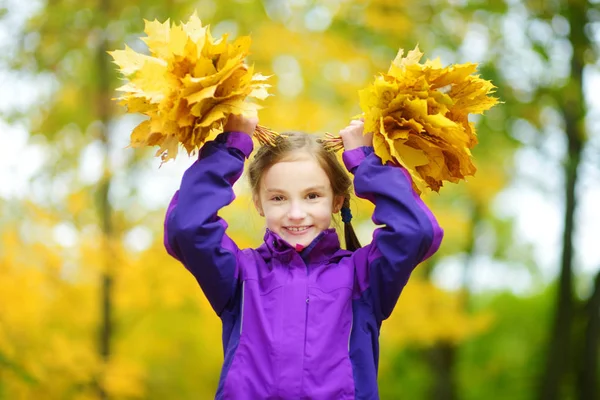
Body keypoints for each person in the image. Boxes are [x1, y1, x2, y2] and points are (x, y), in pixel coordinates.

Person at [164, 114, 443, 399]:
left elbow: (415, 232)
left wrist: (365, 160)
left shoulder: (364, 278)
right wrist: (232, 146)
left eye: (312, 196)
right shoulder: (240, 275)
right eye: (278, 198)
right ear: (259, 203)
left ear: (337, 201)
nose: (296, 213)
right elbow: (187, 227)